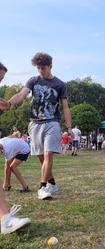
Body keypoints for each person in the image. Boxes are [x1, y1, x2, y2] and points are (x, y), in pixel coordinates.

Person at [5, 53, 73, 200]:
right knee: (42, 159)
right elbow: (22, 94)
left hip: (52, 122)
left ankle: (42, 187)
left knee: (48, 155)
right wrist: (9, 103)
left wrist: (69, 128)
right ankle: (52, 183)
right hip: (35, 124)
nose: (40, 71)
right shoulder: (33, 80)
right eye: (38, 68)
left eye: (43, 68)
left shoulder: (60, 85)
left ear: (50, 66)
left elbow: (65, 107)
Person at [0, 62, 31, 234]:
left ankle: (5, 219)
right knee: (9, 167)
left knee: (10, 167)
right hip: (20, 147)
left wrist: (7, 104)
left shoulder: (6, 145)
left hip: (24, 149)